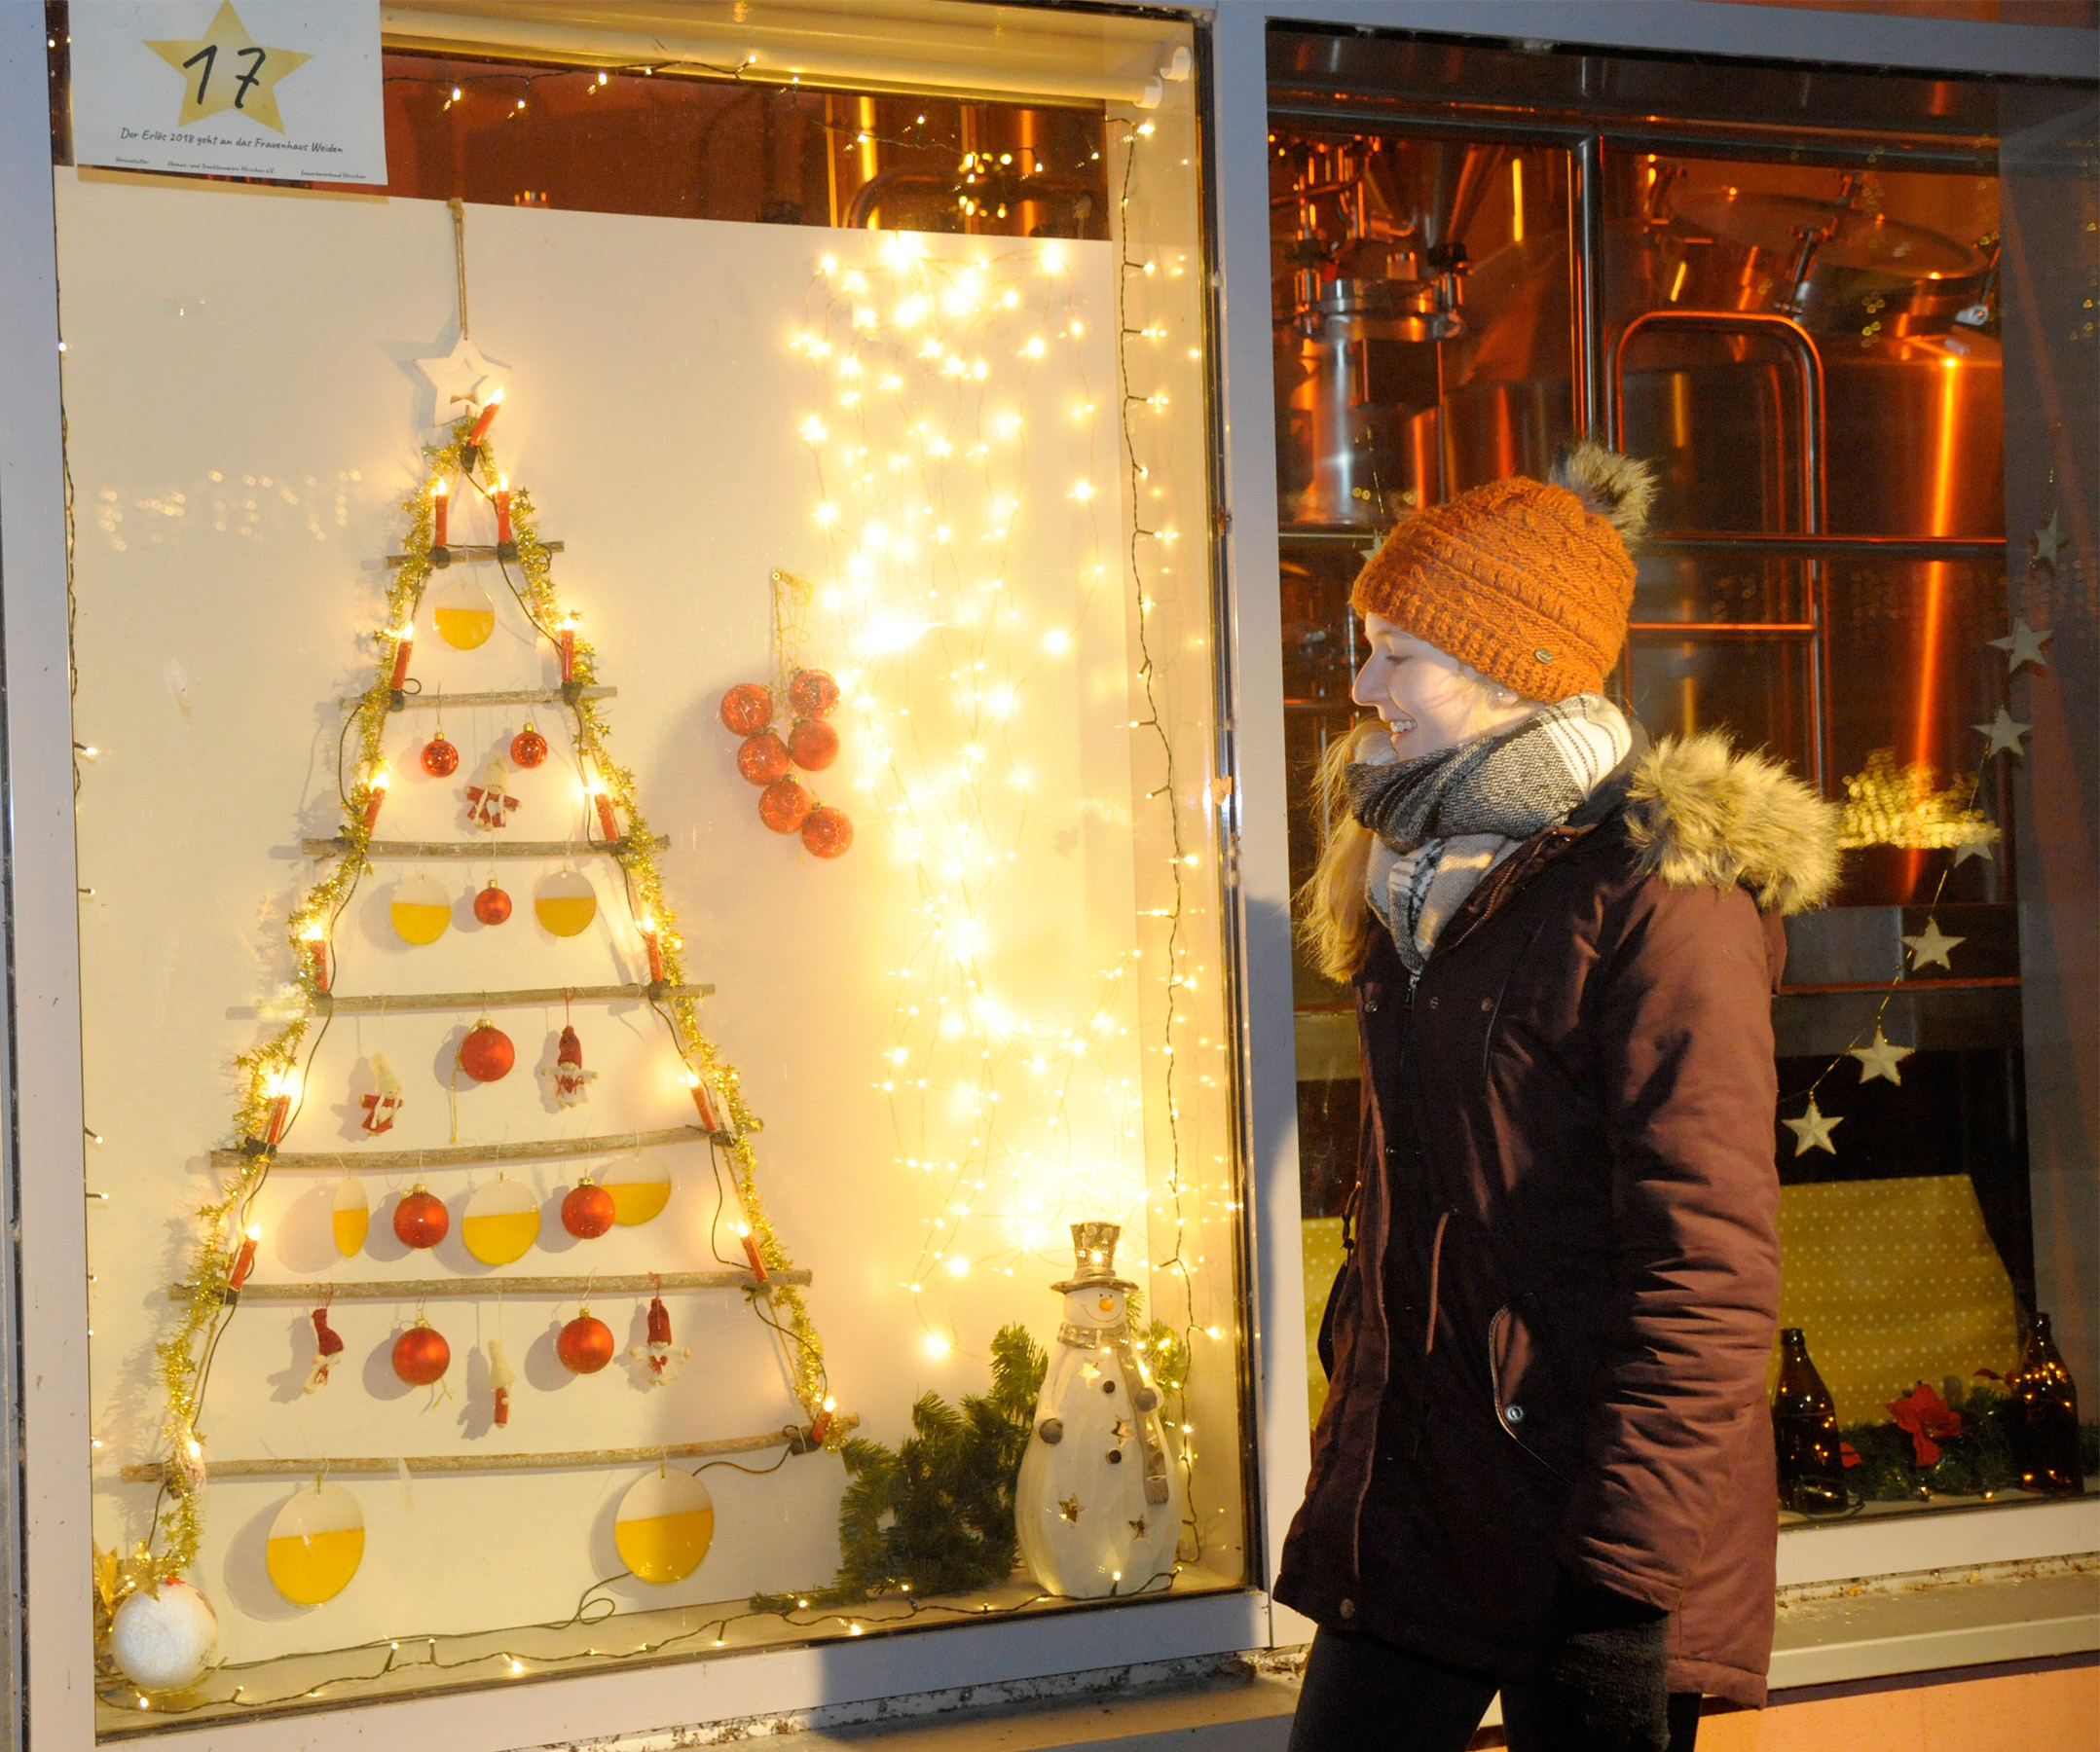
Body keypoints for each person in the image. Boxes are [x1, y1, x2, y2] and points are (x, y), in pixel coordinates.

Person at [1276, 444, 1843, 1752]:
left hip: (1597, 1526)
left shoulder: (1657, 898)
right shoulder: (1423, 874)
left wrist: (1627, 1567)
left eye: (1395, 654)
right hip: (1422, 1498)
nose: (1362, 689)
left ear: (1507, 665)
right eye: (1366, 648)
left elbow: (1705, 1261)